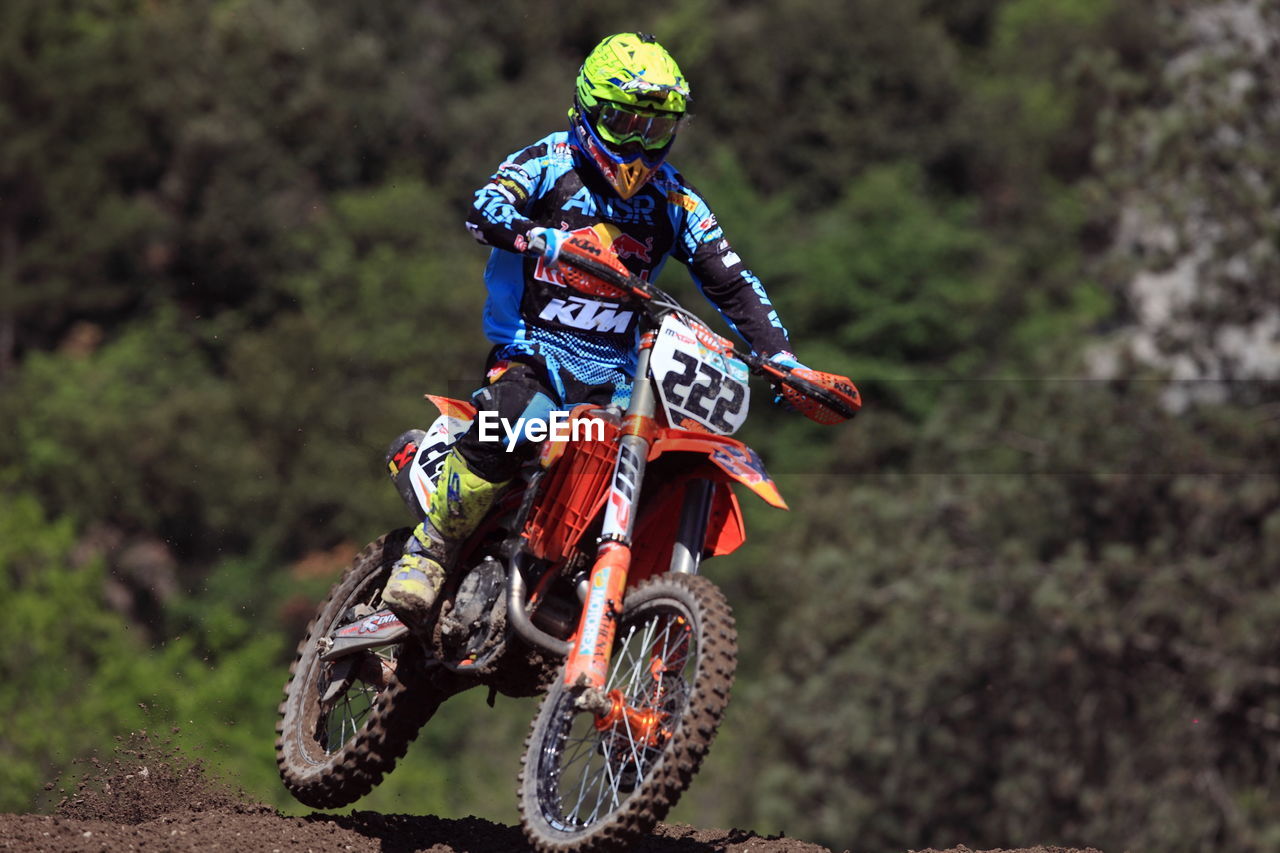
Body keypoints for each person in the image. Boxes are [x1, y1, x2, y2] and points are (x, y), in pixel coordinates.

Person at [382, 32, 812, 627]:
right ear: (587, 109)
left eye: (655, 129)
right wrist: (532, 235)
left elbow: (732, 279)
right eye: (624, 122)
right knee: (513, 418)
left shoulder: (674, 198)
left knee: (650, 465)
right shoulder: (547, 161)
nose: (638, 142)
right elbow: (486, 205)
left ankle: (583, 585)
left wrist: (782, 358)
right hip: (534, 349)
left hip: (617, 376)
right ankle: (430, 548)